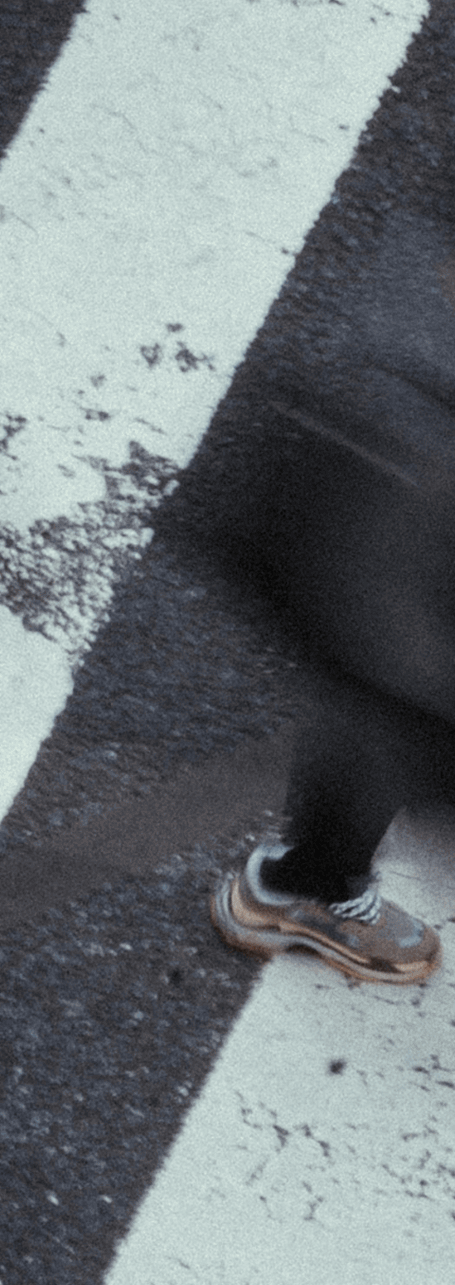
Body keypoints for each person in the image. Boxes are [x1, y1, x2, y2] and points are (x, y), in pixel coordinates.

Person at [207, 216, 455, 990]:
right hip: (397, 545)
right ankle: (311, 883)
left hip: (383, 529)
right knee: (388, 702)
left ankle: (309, 881)